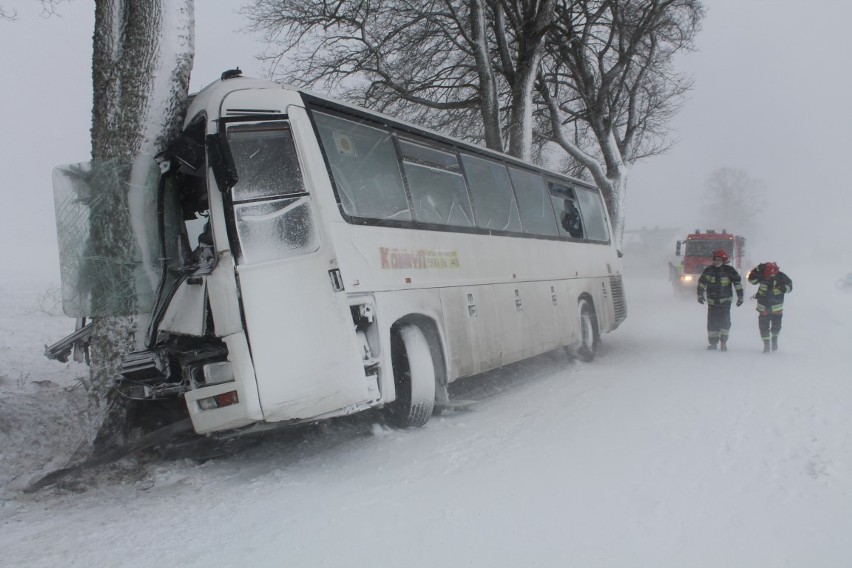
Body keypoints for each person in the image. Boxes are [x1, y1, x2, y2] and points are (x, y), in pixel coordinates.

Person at [697, 249, 744, 351]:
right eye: (715, 259)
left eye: (719, 259)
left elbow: (737, 284)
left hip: (725, 302)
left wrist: (740, 296)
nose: (717, 261)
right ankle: (713, 344)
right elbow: (701, 283)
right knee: (712, 324)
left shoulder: (730, 270)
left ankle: (723, 343)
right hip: (712, 302)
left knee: (725, 323)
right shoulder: (708, 270)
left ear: (723, 260)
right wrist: (699, 295)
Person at [747, 262, 793, 353]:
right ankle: (766, 345)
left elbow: (790, 287)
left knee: (776, 327)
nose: (767, 278)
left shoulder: (781, 276)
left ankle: (774, 339)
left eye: (769, 276)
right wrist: (756, 270)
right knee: (763, 327)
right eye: (766, 276)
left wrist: (782, 287)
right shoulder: (762, 274)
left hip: (777, 308)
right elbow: (751, 280)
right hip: (763, 307)